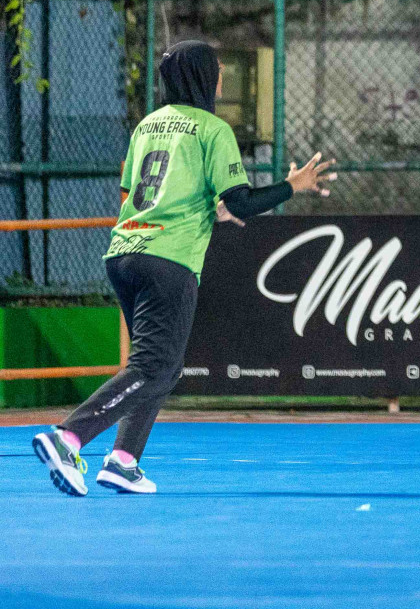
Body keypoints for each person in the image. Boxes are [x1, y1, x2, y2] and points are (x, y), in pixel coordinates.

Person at [32, 40, 337, 496]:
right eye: (216, 72)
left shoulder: (147, 126)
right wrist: (292, 186)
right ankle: (69, 437)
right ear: (203, 78)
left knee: (163, 367)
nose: (219, 80)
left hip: (124, 254)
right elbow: (243, 203)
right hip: (168, 260)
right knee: (153, 367)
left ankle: (123, 460)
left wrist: (206, 211)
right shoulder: (212, 130)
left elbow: (140, 194)